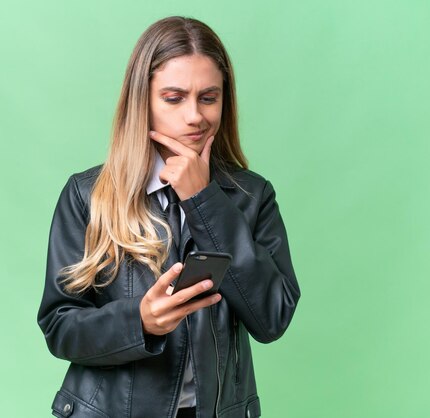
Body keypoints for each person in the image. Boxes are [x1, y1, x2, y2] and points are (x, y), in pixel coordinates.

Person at [37, 16, 301, 418]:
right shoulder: (87, 195)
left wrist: (204, 198)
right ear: (143, 102)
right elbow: (60, 327)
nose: (194, 116)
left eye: (208, 97)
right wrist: (139, 321)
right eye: (174, 98)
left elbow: (272, 318)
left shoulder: (252, 196)